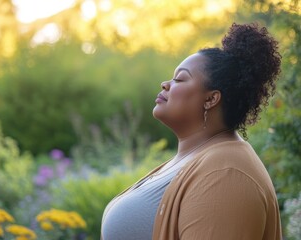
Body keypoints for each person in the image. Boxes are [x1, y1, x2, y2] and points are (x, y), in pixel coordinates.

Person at [101, 23, 282, 240]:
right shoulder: (196, 158)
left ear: (211, 99)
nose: (165, 84)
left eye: (179, 79)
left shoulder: (226, 173)